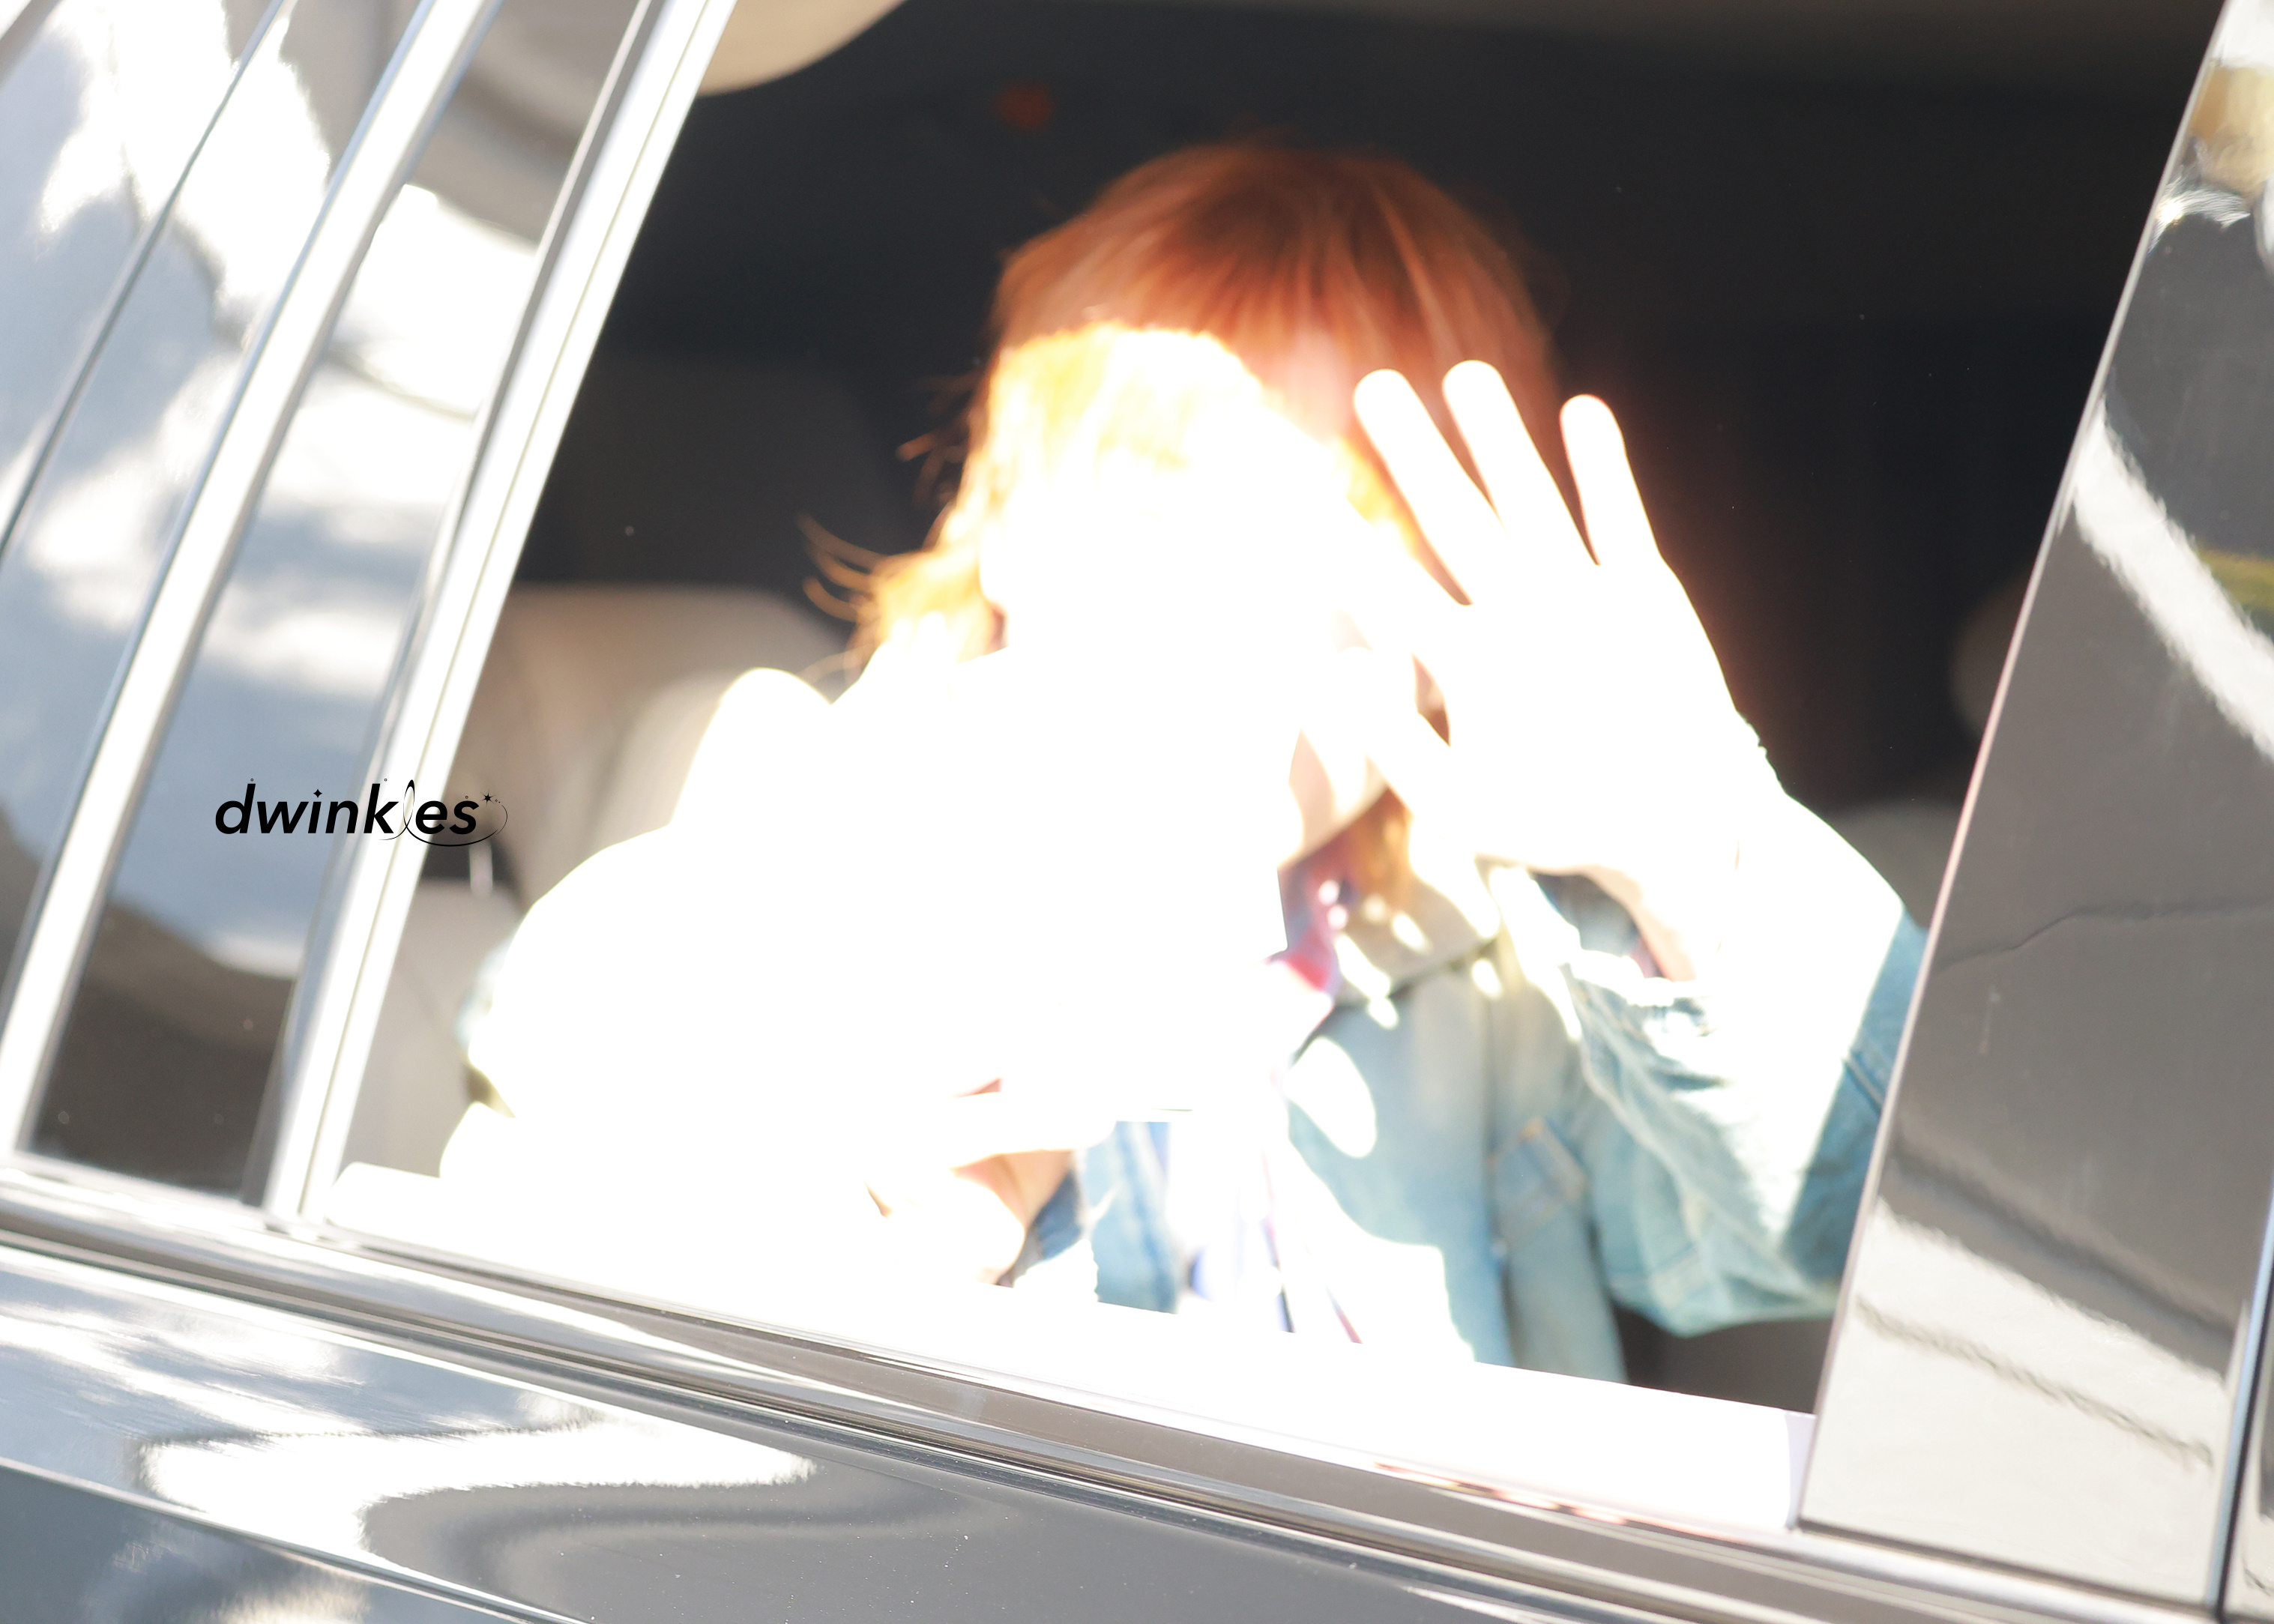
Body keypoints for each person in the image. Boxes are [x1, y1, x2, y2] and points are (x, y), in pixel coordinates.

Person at [438, 144, 1922, 1382]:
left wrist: (1697, 868)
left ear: (1451, 630)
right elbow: (516, 1439)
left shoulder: (1497, 981)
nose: (1243, 614)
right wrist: (885, 1250)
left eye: (1354, 542)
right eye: (1164, 512)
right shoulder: (707, 932)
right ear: (1006, 534)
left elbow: (1852, 1249)